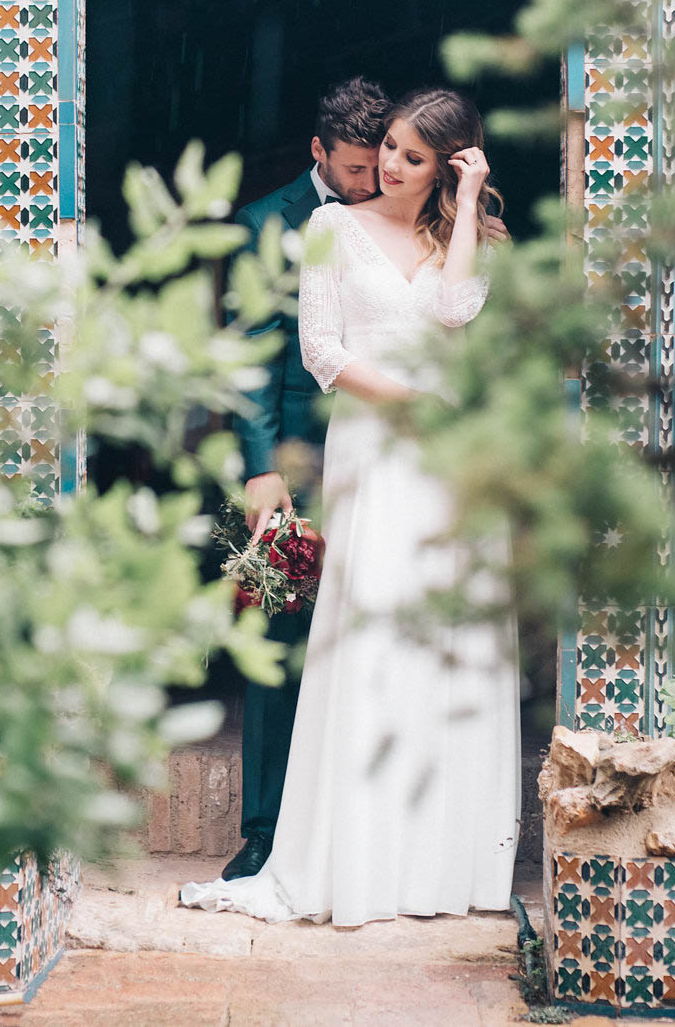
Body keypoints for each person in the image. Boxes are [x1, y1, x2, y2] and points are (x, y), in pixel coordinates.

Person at [182, 87, 521, 925]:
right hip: (355, 451)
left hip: (447, 465)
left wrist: (471, 203)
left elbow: (454, 312)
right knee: (330, 635)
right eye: (381, 156)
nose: (389, 171)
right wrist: (269, 465)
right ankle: (300, 840)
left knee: (445, 633)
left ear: (444, 163)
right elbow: (309, 348)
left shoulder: (459, 234)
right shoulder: (323, 227)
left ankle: (437, 861)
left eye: (410, 157)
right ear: (324, 152)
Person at [222, 76, 391, 882]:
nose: (368, 185)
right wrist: (259, 468)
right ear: (319, 152)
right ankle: (263, 831)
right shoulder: (267, 221)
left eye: (377, 168)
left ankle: (361, 835)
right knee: (278, 639)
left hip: (381, 464)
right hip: (294, 467)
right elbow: (247, 358)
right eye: (355, 170)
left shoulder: (397, 217)